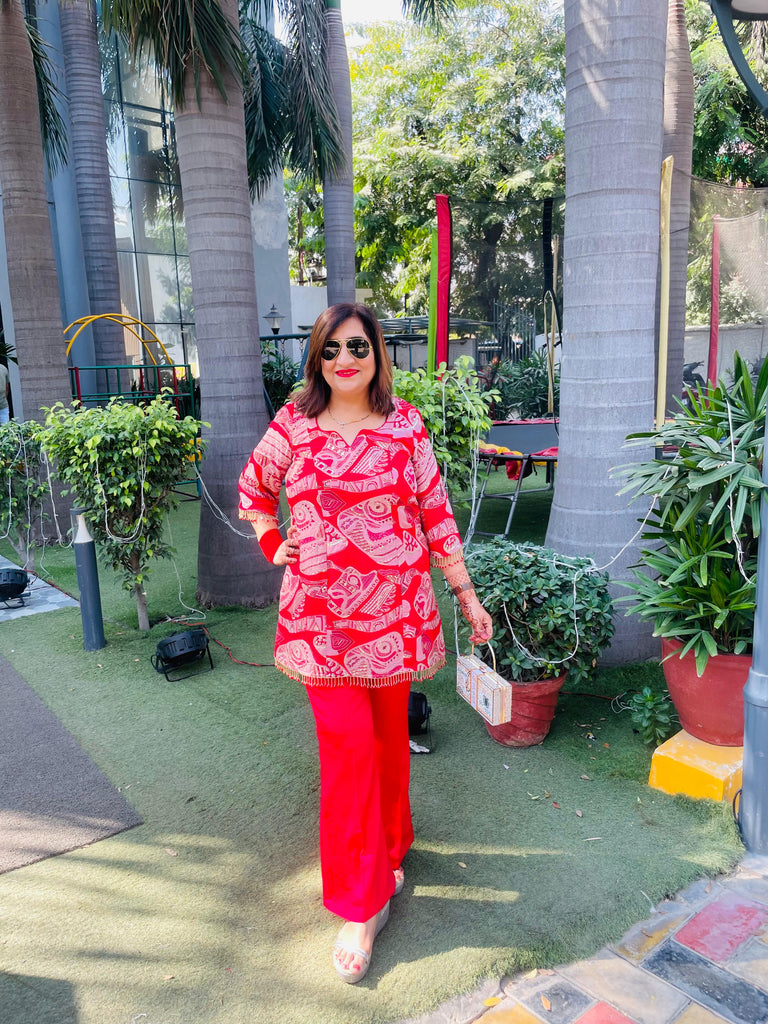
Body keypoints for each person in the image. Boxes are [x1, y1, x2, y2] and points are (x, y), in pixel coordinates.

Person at [238, 302, 492, 984]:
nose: (345, 359)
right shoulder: (293, 424)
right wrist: (272, 541)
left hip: (395, 619)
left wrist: (467, 595)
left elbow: (436, 514)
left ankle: (391, 848)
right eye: (331, 349)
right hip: (320, 626)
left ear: (378, 353)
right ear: (316, 359)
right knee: (349, 753)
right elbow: (253, 491)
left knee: (385, 746)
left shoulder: (406, 425)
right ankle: (362, 903)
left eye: (358, 346)